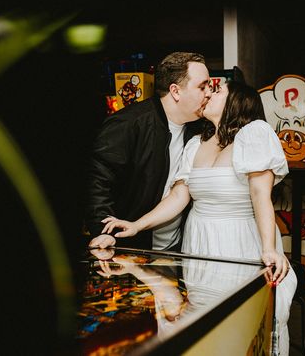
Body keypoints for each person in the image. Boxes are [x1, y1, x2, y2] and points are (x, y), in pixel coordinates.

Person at [102, 80, 298, 355]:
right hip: (200, 245)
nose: (207, 93)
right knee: (203, 325)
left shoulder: (255, 133)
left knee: (239, 326)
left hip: (240, 242)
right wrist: (136, 225)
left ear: (237, 102)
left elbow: (259, 194)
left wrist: (268, 249)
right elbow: (179, 197)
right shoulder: (196, 143)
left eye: (216, 90)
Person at [85, 52, 211, 251]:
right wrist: (104, 232)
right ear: (175, 91)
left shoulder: (197, 129)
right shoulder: (129, 124)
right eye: (202, 87)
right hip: (134, 248)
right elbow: (98, 181)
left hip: (178, 250)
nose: (208, 93)